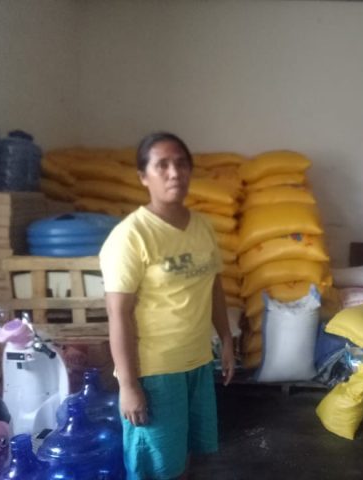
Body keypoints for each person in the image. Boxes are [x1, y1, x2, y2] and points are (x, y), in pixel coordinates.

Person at [100, 132, 235, 480]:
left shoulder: (202, 226)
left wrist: (226, 340)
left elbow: (213, 286)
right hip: (155, 371)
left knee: (186, 456)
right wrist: (129, 386)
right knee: (155, 468)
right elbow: (118, 314)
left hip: (198, 361)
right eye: (162, 165)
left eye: (181, 164)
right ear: (143, 177)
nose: (174, 173)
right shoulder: (131, 236)